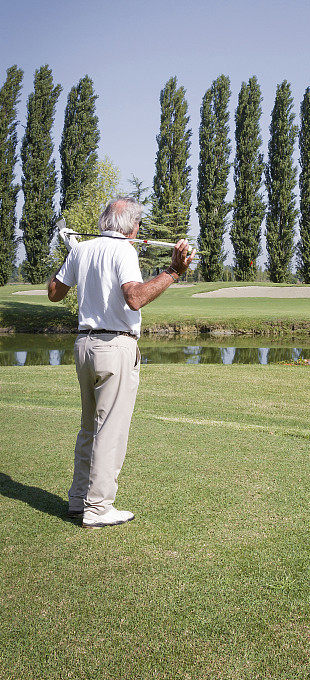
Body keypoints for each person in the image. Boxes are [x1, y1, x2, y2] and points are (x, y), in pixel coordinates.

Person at [47, 197, 196, 528]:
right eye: (139, 224)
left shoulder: (82, 249)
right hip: (114, 346)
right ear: (133, 227)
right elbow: (135, 297)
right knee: (109, 429)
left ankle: (78, 500)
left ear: (103, 222)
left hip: (84, 346)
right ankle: (98, 508)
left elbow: (54, 292)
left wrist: (71, 253)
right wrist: (173, 271)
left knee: (90, 427)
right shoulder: (124, 251)